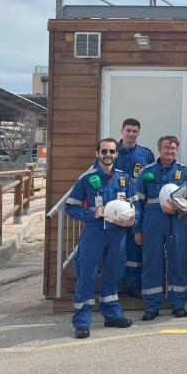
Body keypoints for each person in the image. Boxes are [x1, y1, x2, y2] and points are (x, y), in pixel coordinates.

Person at [64, 138, 138, 339]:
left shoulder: (124, 179)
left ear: (116, 154)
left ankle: (112, 315)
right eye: (104, 151)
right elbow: (70, 207)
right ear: (97, 153)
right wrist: (91, 213)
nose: (108, 155)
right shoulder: (87, 179)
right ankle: (82, 322)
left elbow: (135, 205)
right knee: (87, 275)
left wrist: (132, 220)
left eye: (111, 152)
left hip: (118, 234)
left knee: (114, 274)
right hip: (94, 233)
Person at [135, 135, 187, 321]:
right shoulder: (147, 172)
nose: (169, 151)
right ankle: (152, 306)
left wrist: (182, 206)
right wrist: (137, 229)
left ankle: (177, 304)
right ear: (159, 149)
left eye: (172, 148)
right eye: (165, 147)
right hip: (152, 222)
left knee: (178, 261)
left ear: (177, 150)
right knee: (151, 262)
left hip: (178, 221)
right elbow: (137, 203)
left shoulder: (185, 172)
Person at [114, 118, 155, 299]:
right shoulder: (111, 151)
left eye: (134, 131)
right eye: (128, 130)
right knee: (114, 247)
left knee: (134, 246)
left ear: (138, 133)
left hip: (137, 205)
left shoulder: (146, 154)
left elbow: (153, 178)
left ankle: (132, 285)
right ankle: (112, 285)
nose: (131, 134)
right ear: (122, 130)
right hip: (113, 206)